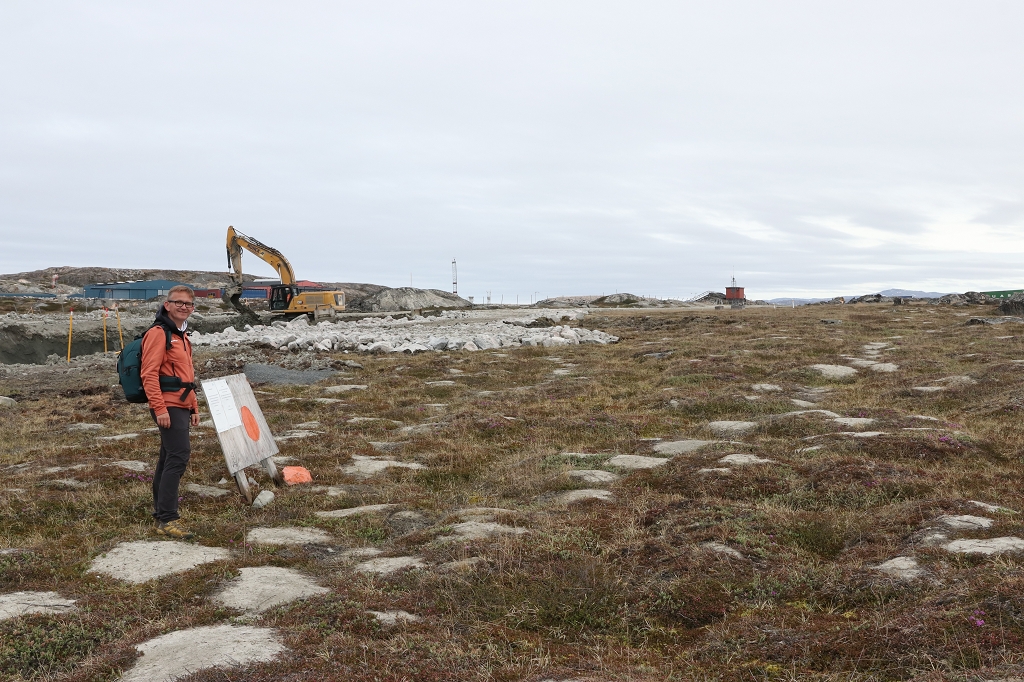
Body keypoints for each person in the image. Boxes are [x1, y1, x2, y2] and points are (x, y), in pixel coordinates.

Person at [141, 285, 200, 539]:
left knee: (168, 458)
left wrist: (194, 406)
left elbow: (187, 377)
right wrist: (159, 407)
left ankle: (160, 514)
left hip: (181, 404)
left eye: (188, 304)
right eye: (178, 302)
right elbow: (149, 374)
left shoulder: (182, 336)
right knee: (178, 456)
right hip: (167, 406)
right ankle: (168, 519)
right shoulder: (158, 333)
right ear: (167, 305)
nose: (183, 307)